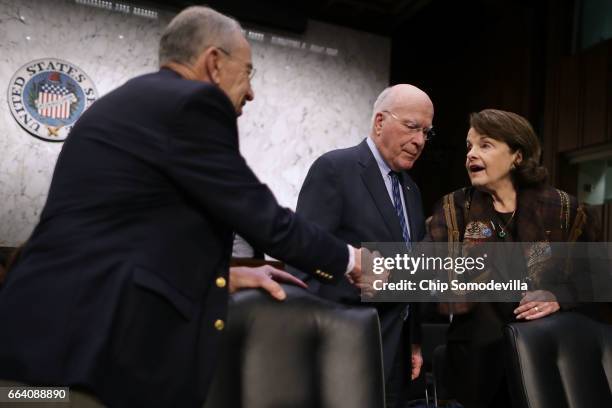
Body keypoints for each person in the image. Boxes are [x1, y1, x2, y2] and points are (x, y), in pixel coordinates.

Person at [0, 6, 368, 408]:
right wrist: (352, 261)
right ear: (213, 62)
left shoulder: (126, 103)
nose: (250, 91)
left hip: (37, 357)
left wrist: (223, 276)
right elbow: (264, 219)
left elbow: (130, 234)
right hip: (83, 361)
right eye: (248, 72)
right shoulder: (192, 105)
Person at [426, 109, 600, 408]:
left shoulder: (564, 210)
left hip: (546, 364)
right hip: (476, 369)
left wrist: (558, 296)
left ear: (517, 155)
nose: (471, 154)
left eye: (485, 144)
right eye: (469, 146)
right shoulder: (454, 208)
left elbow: (597, 277)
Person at [292, 84, 433, 407]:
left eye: (426, 132)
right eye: (412, 127)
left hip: (397, 353)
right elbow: (304, 262)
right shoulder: (334, 170)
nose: (420, 141)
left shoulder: (411, 190)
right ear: (380, 121)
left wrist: (413, 341)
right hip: (344, 344)